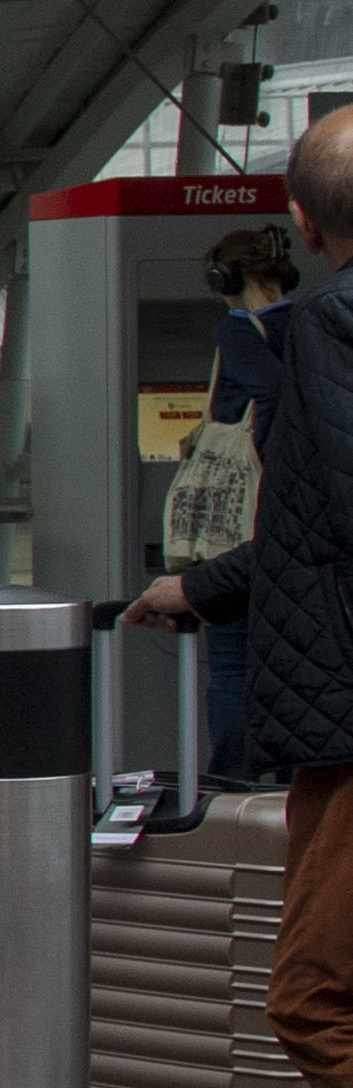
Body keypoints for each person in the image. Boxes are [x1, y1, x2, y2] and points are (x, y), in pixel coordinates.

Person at [132, 115, 353, 1088]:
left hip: (349, 727)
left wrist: (205, 582)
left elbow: (326, 517)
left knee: (314, 996)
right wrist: (207, 589)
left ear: (306, 228)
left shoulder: (318, 327)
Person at [186, 224, 301, 788]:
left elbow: (269, 400)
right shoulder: (311, 321)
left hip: (242, 529)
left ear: (226, 279)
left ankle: (234, 782)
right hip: (303, 528)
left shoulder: (235, 333)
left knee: (231, 660)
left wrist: (268, 453)